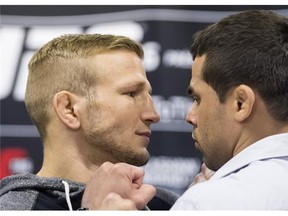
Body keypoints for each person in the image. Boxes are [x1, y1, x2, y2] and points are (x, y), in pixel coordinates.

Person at [67, 9, 288, 210]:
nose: (190, 116)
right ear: (68, 109)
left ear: (241, 103)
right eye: (131, 94)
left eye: (198, 99)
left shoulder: (212, 202)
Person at [0, 33, 179, 210]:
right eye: (131, 93)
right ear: (69, 109)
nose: (154, 115)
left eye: (148, 95)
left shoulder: (170, 206)